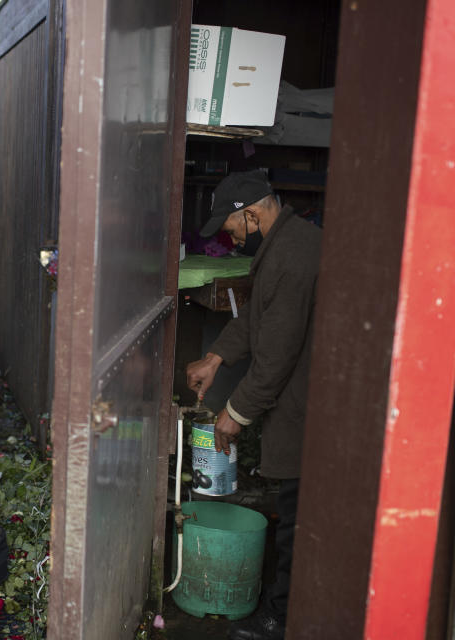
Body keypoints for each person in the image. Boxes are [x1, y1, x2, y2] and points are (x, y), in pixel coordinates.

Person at [186, 170, 321, 640]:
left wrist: (235, 413)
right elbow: (255, 319)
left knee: (299, 518)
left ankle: (282, 618)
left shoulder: (296, 255)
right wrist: (215, 358)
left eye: (231, 226)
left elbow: (278, 352)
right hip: (294, 400)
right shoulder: (280, 246)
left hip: (310, 407)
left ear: (252, 212)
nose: (230, 236)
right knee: (293, 507)